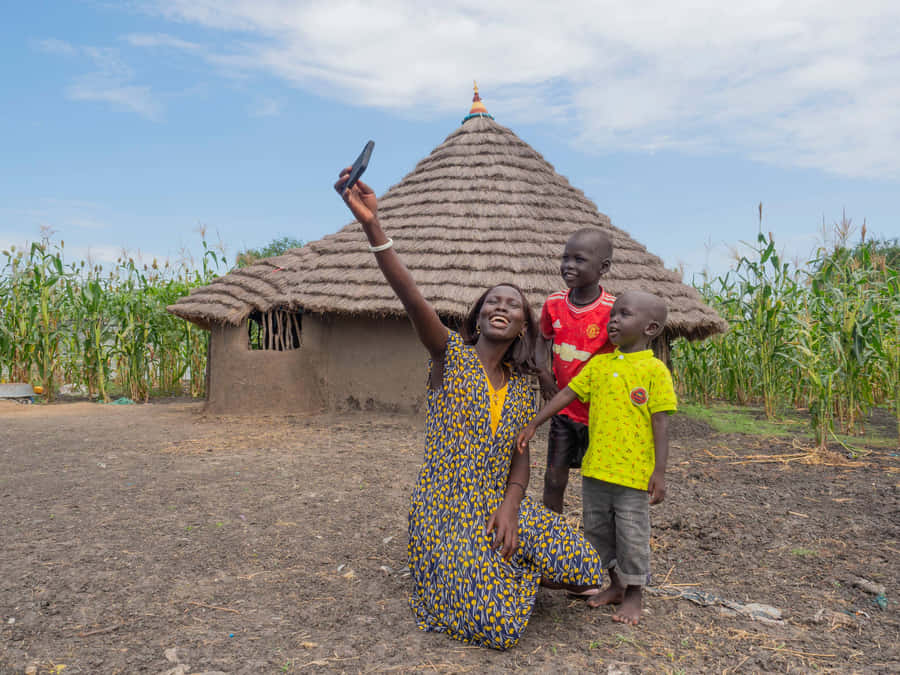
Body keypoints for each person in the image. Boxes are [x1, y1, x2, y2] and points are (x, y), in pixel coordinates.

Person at [334, 168, 602, 650]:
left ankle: (496, 564)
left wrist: (510, 508)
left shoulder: (522, 387)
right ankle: (484, 572)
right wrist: (373, 226)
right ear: (477, 316)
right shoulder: (449, 358)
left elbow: (521, 455)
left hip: (496, 502)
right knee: (497, 627)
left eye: (513, 305)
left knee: (585, 569)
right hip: (446, 507)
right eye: (492, 302)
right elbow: (409, 294)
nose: (502, 307)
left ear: (523, 324)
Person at [517, 290, 677, 625]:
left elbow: (661, 423)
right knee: (597, 532)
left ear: (650, 328)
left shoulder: (654, 371)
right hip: (596, 470)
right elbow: (566, 394)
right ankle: (615, 585)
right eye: (613, 314)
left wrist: (659, 473)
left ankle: (634, 594)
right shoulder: (600, 364)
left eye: (624, 315)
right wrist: (535, 422)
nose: (613, 320)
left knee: (631, 535)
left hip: (633, 476)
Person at [536, 228, 615, 513]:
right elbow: (542, 338)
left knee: (600, 480)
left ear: (603, 267)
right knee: (554, 478)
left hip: (599, 413)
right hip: (564, 409)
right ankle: (551, 535)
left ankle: (601, 541)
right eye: (565, 258)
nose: (569, 265)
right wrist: (544, 373)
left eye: (579, 259)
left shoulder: (613, 311)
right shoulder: (554, 304)